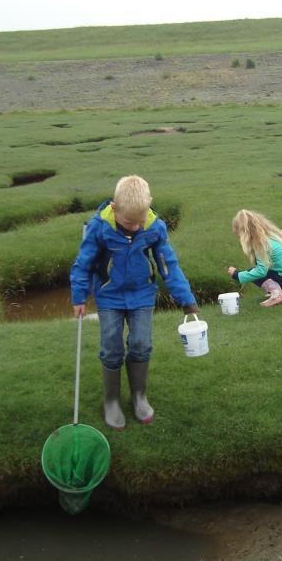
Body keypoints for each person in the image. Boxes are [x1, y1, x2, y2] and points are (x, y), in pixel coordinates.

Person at [71, 175, 199, 430]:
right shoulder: (99, 227)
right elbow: (83, 265)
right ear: (115, 208)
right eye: (129, 222)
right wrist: (79, 296)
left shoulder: (154, 227)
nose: (134, 227)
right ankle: (112, 401)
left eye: (139, 221)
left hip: (142, 294)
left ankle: (139, 397)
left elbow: (167, 265)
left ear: (148, 206)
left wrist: (187, 300)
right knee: (111, 345)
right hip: (109, 294)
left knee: (141, 343)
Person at [227, 209, 282, 307]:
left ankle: (277, 295)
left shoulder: (259, 244)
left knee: (254, 273)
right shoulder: (271, 236)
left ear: (244, 233)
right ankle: (281, 291)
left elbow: (261, 272)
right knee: (257, 271)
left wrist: (237, 275)